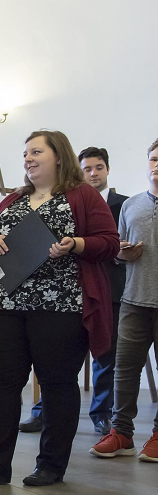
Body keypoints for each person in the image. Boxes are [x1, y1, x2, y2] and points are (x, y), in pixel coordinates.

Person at [0, 130, 119, 487]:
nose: (28, 159)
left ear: (58, 156)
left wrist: (75, 243)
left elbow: (109, 243)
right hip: (6, 304)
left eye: (36, 152)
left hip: (60, 306)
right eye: (25, 153)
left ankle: (51, 465)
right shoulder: (13, 199)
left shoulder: (83, 196)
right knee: (0, 384)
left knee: (57, 384)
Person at [19, 147, 128, 434]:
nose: (93, 173)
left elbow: (113, 241)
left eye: (99, 167)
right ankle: (42, 411)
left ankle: (102, 415)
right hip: (67, 289)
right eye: (87, 168)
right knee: (54, 359)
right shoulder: (61, 200)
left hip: (112, 287)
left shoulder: (124, 204)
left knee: (106, 356)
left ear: (107, 170)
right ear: (78, 171)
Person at [90, 138, 158, 462]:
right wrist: (122, 252)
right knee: (124, 369)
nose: (157, 165)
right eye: (154, 159)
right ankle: (121, 433)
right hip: (133, 300)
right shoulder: (131, 205)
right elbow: (116, 252)